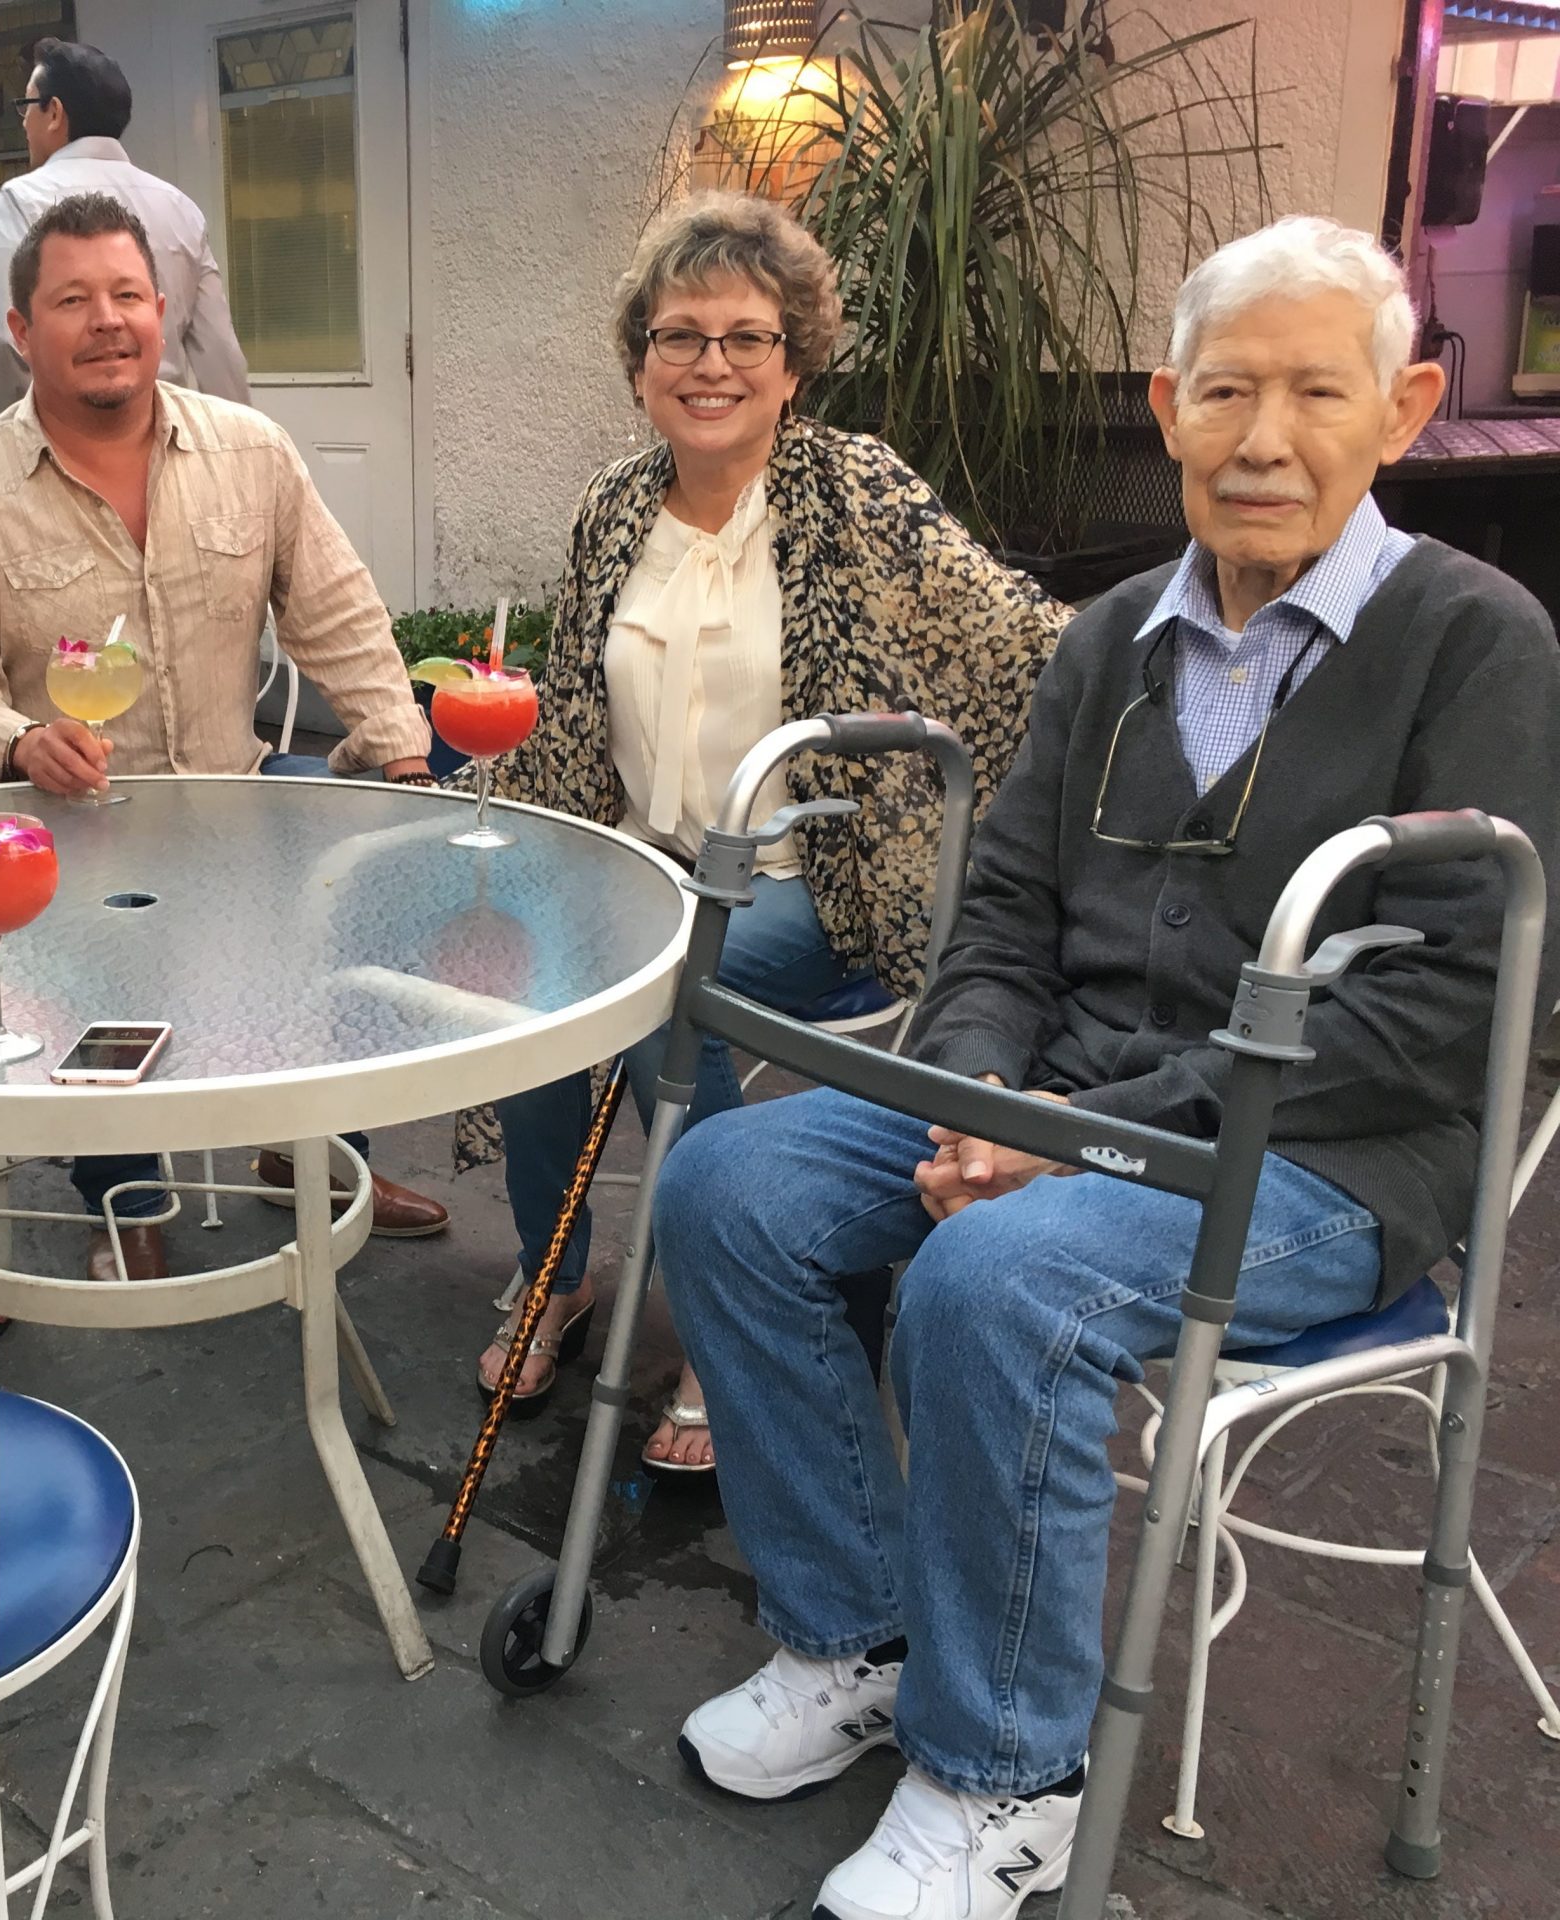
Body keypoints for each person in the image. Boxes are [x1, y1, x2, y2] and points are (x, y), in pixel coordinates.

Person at [654, 216, 1560, 1920]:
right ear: (1165, 402)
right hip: (1064, 1102)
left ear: (1409, 405)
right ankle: (854, 1633)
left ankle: (1011, 1779)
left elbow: (1444, 1009)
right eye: (1226, 389)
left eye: (1315, 392)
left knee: (1001, 1288)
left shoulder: (1476, 642)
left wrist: (1078, 1138)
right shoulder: (1115, 634)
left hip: (1336, 1159)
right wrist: (977, 1100)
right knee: (730, 1185)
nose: (1264, 436)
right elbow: (997, 914)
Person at [470, 191, 1065, 1468]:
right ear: (640, 366)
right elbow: (572, 709)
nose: (711, 367)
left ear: (794, 362)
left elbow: (1027, 640)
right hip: (635, 860)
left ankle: (713, 1314)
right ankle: (554, 1271)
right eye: (680, 338)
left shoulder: (857, 495)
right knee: (524, 969)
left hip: (813, 881)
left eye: (746, 338)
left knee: (659, 985)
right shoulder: (610, 510)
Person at [0, 189, 446, 1278]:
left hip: (232, 802)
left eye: (125, 295)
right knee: (101, 949)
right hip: (69, 836)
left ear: (161, 309)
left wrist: (400, 750)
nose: (106, 320)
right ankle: (128, 1194)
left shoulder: (251, 451)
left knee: (372, 880)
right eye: (71, 299)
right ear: (22, 331)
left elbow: (334, 609)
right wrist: (17, 743)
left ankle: (313, 1148)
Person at [0, 38, 250, 427]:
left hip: (68, 443)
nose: (22, 123)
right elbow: (219, 352)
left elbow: (2, 347)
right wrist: (234, 442)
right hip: (163, 437)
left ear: (54, 113)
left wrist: (9, 444)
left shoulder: (24, 200)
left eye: (27, 106)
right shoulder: (179, 207)